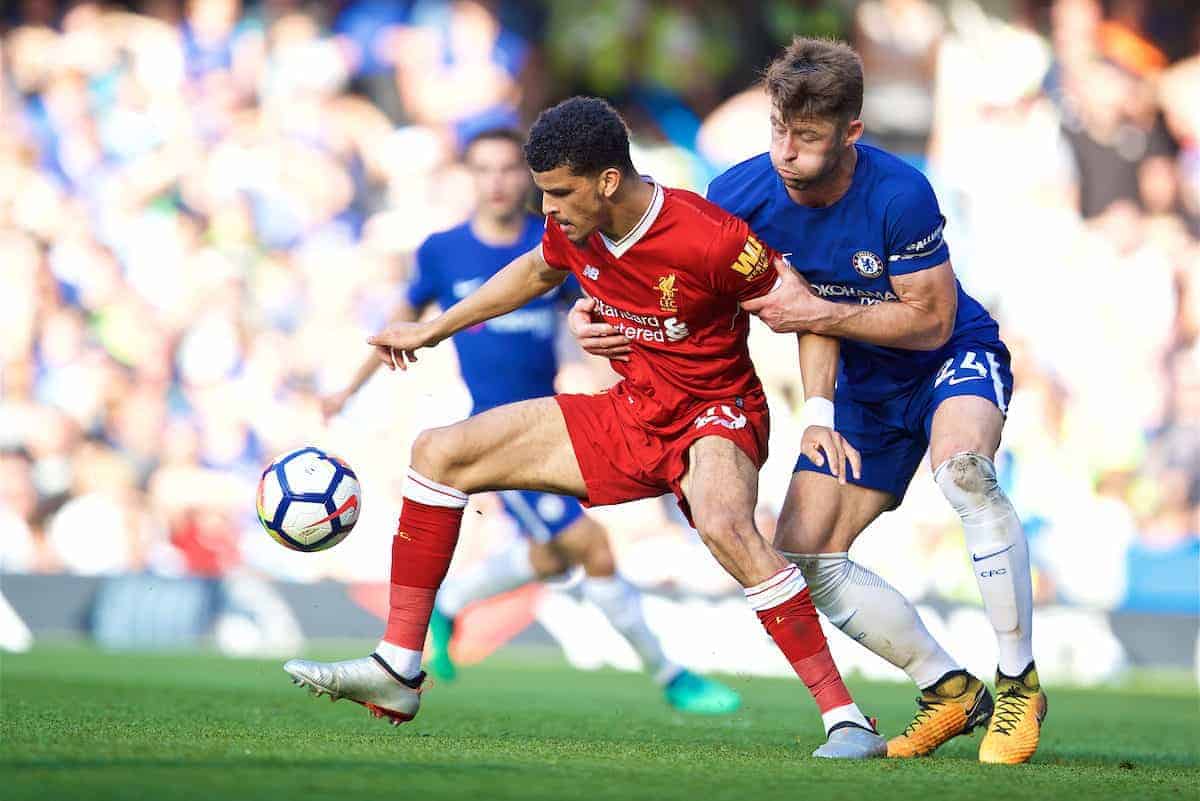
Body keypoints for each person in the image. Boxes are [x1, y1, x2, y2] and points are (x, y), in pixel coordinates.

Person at [284, 96, 886, 759]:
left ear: (606, 180)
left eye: (558, 193)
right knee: (438, 451)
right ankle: (399, 666)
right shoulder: (572, 226)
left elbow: (806, 312)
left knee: (722, 523)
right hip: (632, 411)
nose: (546, 209)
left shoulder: (708, 235)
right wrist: (432, 328)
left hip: (716, 410)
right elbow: (535, 271)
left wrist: (818, 416)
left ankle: (846, 716)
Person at [569, 38, 1046, 765]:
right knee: (803, 550)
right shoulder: (739, 195)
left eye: (808, 137)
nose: (787, 152)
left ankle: (1019, 683)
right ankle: (949, 688)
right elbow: (673, 287)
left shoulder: (900, 192)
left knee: (965, 470)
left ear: (850, 132)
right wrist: (602, 314)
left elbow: (931, 320)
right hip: (858, 386)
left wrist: (817, 313)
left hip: (949, 360)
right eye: (777, 131)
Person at [321, 127, 740, 714]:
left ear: (526, 177)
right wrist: (347, 389)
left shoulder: (559, 236)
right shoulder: (443, 251)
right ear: (469, 177)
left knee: (554, 554)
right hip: (496, 429)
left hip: (552, 425)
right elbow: (400, 324)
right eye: (484, 169)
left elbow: (605, 306)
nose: (497, 182)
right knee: (589, 546)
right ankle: (673, 679)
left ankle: (451, 602)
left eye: (507, 169)